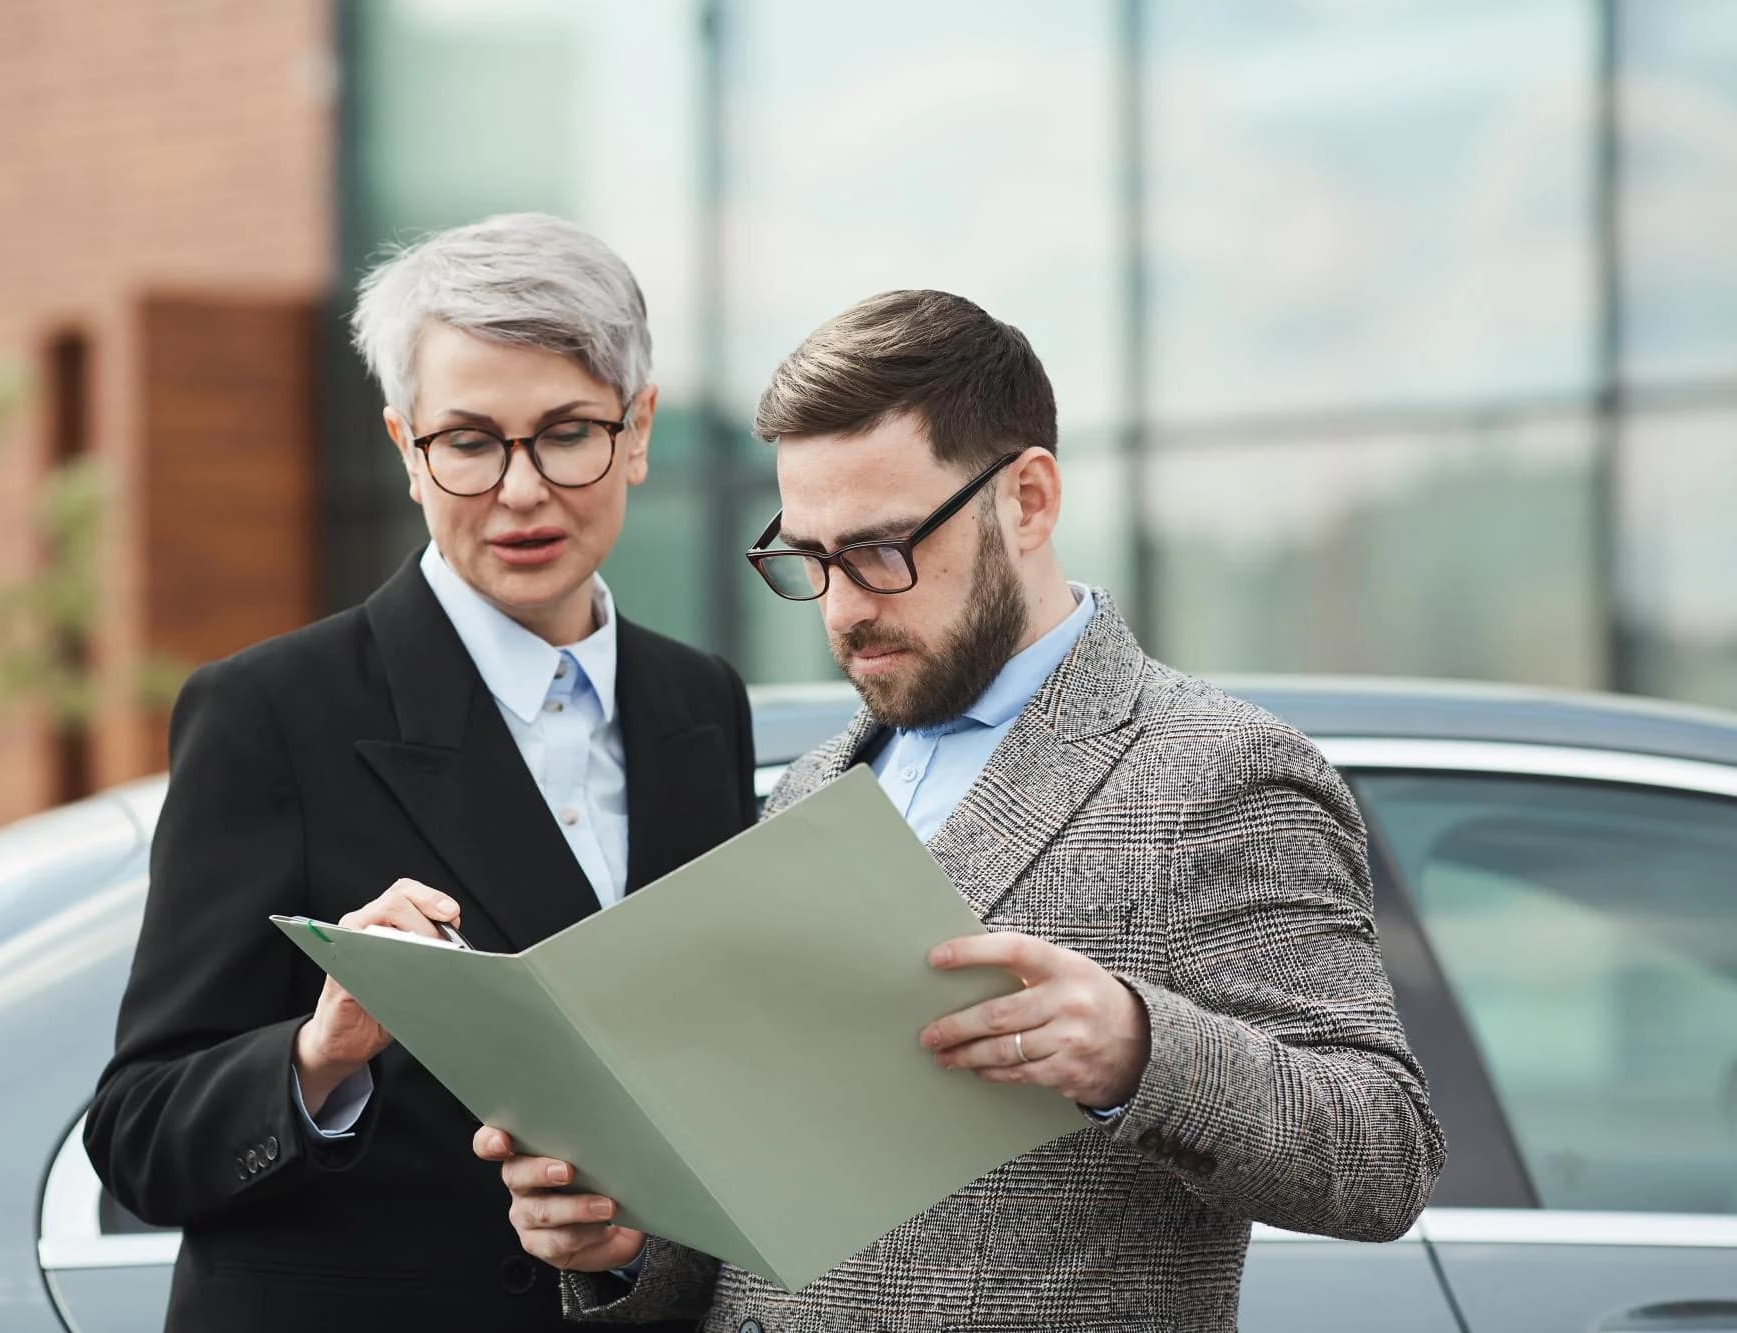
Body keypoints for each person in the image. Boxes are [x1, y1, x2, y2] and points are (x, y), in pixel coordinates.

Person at [479, 289, 1444, 1331]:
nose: (844, 607)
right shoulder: (812, 784)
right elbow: (770, 1204)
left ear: (1027, 499)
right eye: (809, 558)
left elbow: (1382, 1152)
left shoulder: (1218, 773)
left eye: (881, 550)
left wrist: (1137, 1049)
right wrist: (625, 1242)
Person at [84, 213, 751, 1332]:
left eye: (567, 433)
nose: (522, 489)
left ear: (637, 431)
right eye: (470, 442)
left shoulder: (701, 703)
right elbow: (138, 1133)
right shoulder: (271, 713)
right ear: (405, 448)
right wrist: (323, 1050)